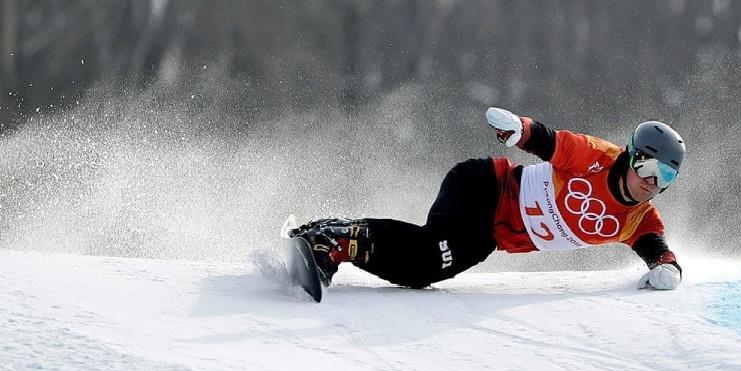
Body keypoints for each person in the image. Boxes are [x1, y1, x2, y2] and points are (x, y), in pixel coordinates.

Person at [287, 107, 685, 291]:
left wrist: (668, 271)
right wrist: (521, 131)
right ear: (631, 155)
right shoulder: (598, 159)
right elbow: (554, 142)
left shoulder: (639, 220)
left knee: (422, 272)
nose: (651, 183)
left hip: (491, 236)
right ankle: (332, 244)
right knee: (430, 254)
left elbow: (660, 253)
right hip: (484, 188)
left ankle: (332, 234)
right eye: (648, 167)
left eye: (665, 176)